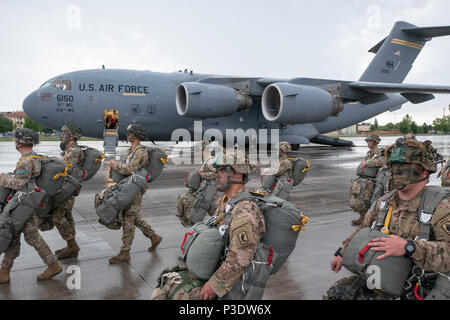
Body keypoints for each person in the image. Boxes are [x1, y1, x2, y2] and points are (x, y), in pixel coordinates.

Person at [328, 138, 449, 300]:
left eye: (405, 166)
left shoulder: (440, 206)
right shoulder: (385, 202)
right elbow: (363, 229)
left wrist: (409, 247)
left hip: (417, 287)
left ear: (424, 171)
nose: (396, 172)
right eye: (393, 166)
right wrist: (342, 253)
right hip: (382, 278)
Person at [151, 148, 265, 300]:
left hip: (229, 283)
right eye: (216, 170)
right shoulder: (227, 203)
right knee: (166, 283)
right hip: (215, 267)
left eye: (222, 170)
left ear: (238, 173)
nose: (216, 175)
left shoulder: (244, 212)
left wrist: (214, 285)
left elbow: (240, 258)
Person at [0, 128, 63, 283]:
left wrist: (2, 178)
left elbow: (19, 183)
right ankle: (5, 271)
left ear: (19, 142)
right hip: (27, 203)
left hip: (23, 204)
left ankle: (5, 271)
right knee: (24, 235)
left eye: (16, 140)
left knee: (17, 233)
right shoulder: (35, 157)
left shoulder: (26, 160)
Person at [108, 124, 162, 264]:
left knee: (128, 219)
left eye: (130, 133)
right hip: (128, 187)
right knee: (134, 216)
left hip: (134, 189)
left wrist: (114, 165)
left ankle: (125, 252)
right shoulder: (131, 150)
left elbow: (129, 169)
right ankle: (154, 237)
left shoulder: (140, 152)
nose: (127, 135)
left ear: (136, 135)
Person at [49, 123, 84, 259]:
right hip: (68, 188)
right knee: (67, 216)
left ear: (72, 137)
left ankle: (72, 245)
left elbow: (66, 170)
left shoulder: (74, 151)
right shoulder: (70, 150)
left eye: (64, 134)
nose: (62, 135)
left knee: (57, 217)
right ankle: (71, 245)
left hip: (68, 189)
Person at [351, 134, 384, 225]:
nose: (368, 143)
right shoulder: (369, 153)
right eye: (367, 141)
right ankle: (362, 217)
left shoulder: (380, 152)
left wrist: (367, 163)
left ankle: (372, 219)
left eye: (370, 141)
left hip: (378, 179)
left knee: (374, 200)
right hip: (368, 179)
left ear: (375, 142)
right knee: (363, 197)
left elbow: (381, 162)